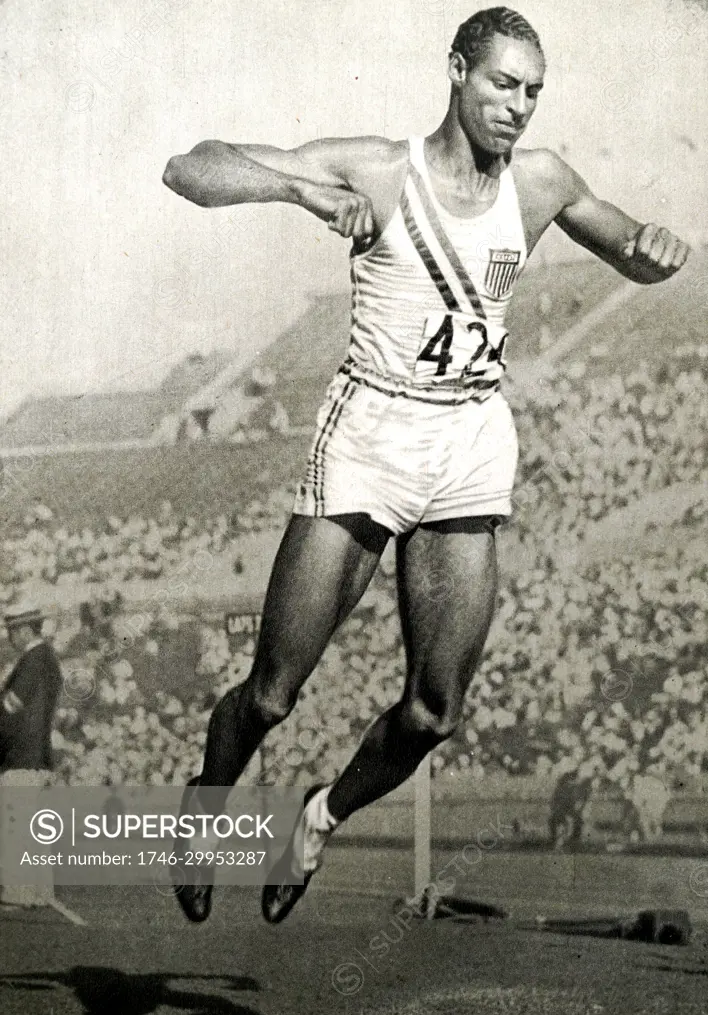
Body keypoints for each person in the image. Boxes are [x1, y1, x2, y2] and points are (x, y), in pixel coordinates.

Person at [162, 6, 689, 925]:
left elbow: (632, 249)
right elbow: (190, 167)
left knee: (434, 713)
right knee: (275, 694)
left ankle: (317, 822)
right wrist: (301, 193)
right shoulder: (377, 166)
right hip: (368, 435)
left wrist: (658, 251)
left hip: (468, 441)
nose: (517, 107)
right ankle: (207, 798)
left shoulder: (543, 182)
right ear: (456, 71)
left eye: (532, 90)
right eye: (501, 84)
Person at [0, 605, 64, 907]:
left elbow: (10, 710)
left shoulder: (33, 659)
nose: (10, 637)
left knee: (16, 824)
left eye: (11, 631)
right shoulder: (47, 658)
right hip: (37, 754)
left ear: (24, 629)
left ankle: (18, 891)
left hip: (20, 754)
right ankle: (39, 892)